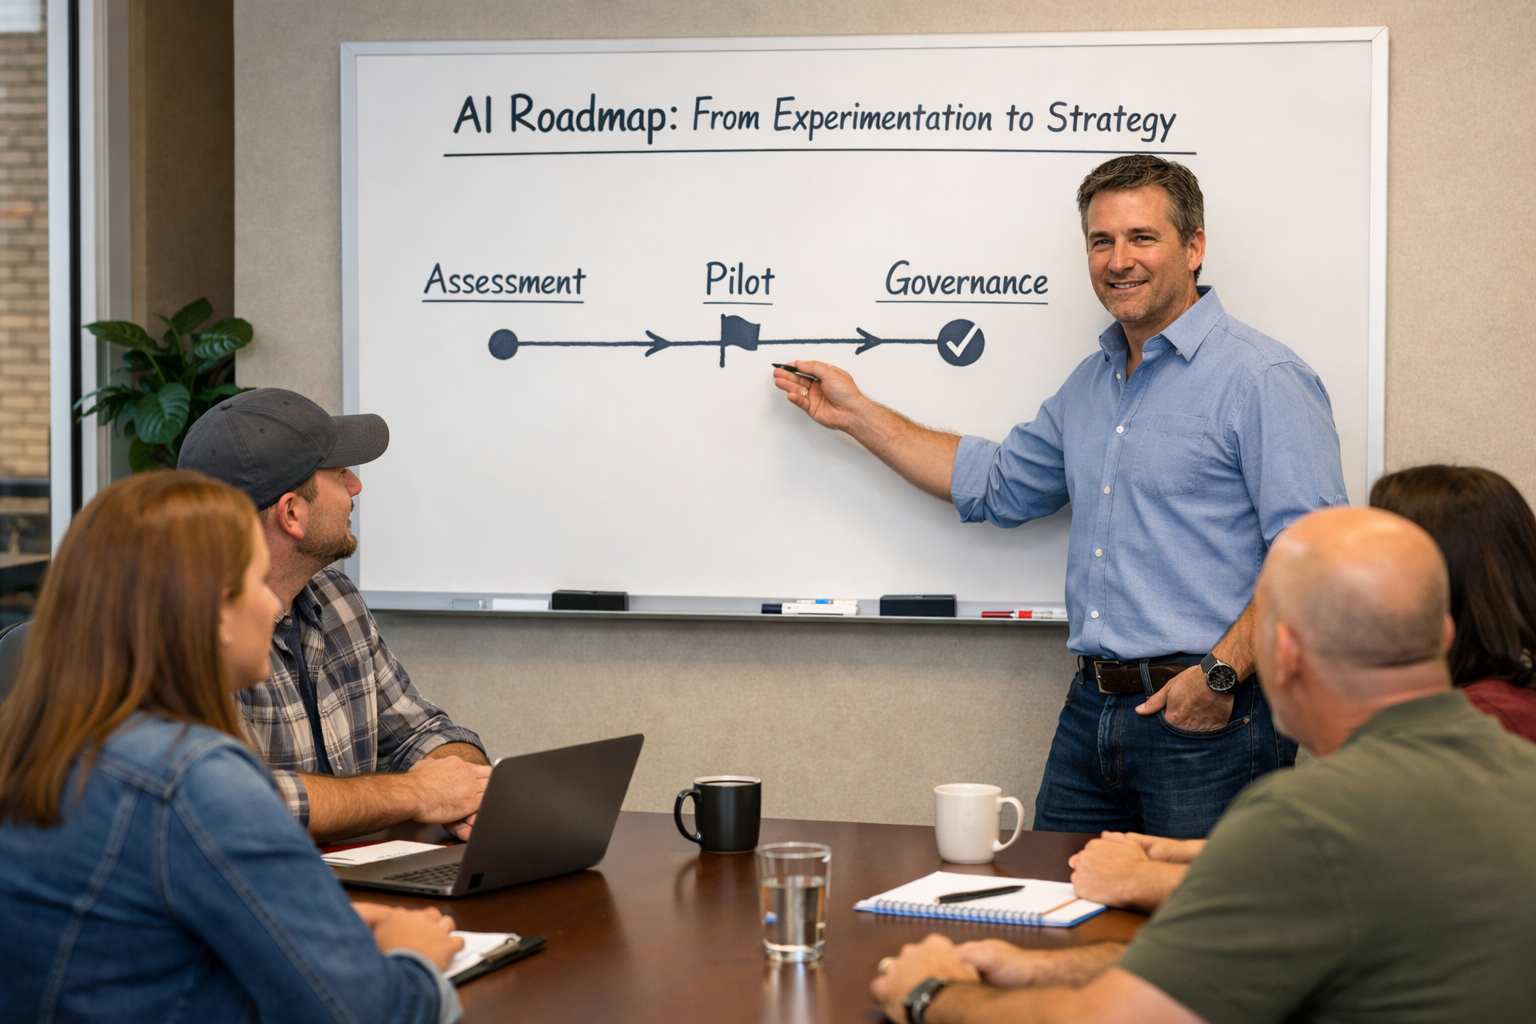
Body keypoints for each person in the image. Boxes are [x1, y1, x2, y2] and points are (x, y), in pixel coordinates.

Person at [774, 154, 1348, 838]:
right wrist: (856, 414)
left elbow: (1315, 556)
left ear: (1193, 247)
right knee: (1054, 911)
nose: (1118, 260)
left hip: (1213, 720)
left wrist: (1218, 677)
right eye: (1101, 241)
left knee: (1198, 934)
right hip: (1091, 713)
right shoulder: (1092, 384)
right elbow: (996, 484)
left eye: (1142, 237)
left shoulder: (1263, 379)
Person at [869, 506, 1536, 1024]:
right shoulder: (1513, 772)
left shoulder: (1309, 820)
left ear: (1284, 654)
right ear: (1442, 639)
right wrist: (1048, 972)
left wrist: (932, 992)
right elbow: (1264, 956)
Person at [0, 471, 465, 1023]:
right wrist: (415, 955)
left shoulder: (42, 744)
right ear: (217, 610)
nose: (273, 609)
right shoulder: (196, 778)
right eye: (256, 583)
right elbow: (369, 1013)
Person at [1070, 462, 1536, 913]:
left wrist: (1142, 879)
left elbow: (1352, 890)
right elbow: (1351, 853)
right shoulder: (1478, 703)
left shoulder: (1483, 726)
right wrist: (1199, 855)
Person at [178, 388, 491, 843]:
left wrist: (464, 787)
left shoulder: (336, 597)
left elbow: (417, 732)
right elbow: (238, 800)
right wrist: (413, 793)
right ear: (291, 513)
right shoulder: (189, 632)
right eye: (341, 474)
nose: (355, 487)